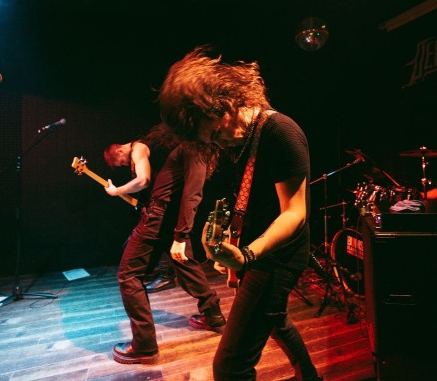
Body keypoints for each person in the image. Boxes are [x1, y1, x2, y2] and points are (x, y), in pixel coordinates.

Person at [158, 46, 322, 380]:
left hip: (278, 258)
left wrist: (246, 255)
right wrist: (231, 246)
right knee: (276, 320)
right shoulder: (246, 139)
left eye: (216, 132)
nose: (219, 143)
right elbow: (252, 203)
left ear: (226, 103)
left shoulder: (281, 133)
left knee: (230, 367)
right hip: (257, 251)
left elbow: (295, 213)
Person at [105, 127, 225, 365]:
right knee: (187, 267)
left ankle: (144, 346)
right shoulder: (190, 148)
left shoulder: (185, 148)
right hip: (168, 218)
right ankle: (214, 317)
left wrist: (181, 235)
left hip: (159, 218)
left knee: (129, 275)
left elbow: (190, 194)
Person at [103, 129, 176, 293]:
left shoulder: (138, 149)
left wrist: (118, 191)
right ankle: (164, 275)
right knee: (162, 240)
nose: (124, 164)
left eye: (121, 162)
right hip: (158, 202)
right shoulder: (135, 153)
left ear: (119, 150)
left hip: (166, 202)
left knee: (158, 239)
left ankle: (166, 276)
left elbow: (144, 180)